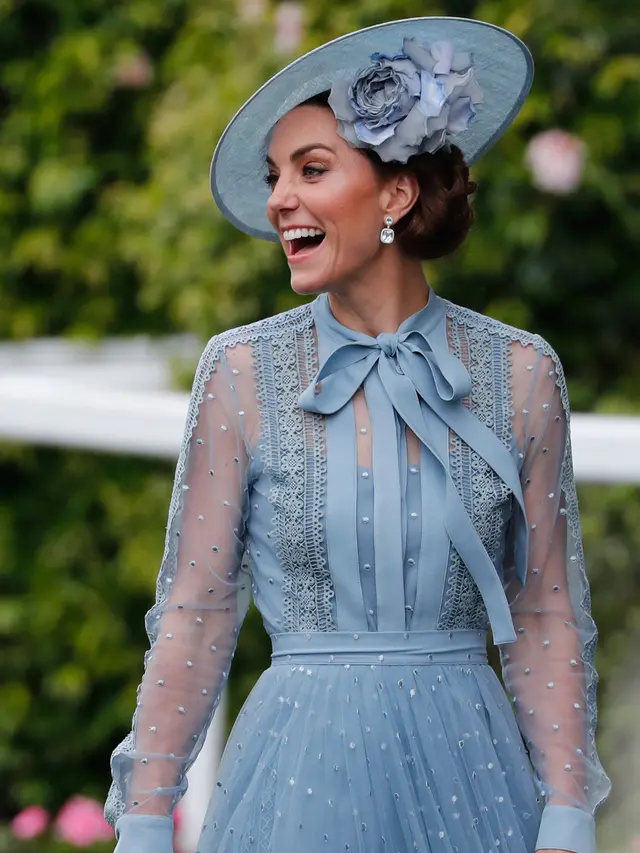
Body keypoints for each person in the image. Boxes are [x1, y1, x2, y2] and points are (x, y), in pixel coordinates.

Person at [105, 16, 610, 853]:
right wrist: (147, 818)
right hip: (297, 774)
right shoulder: (241, 373)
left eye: (311, 169)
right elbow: (195, 614)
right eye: (275, 176)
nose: (279, 200)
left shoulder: (521, 373)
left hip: (474, 773)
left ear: (396, 194)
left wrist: (566, 806)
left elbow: (546, 606)